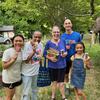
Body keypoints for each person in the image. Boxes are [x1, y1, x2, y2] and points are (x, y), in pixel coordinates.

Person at [43, 25, 67, 100]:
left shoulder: (63, 41)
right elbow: (44, 54)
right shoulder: (48, 43)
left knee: (61, 83)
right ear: (52, 33)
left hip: (62, 65)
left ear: (60, 33)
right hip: (52, 66)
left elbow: (66, 51)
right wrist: (50, 58)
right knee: (54, 82)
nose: (56, 33)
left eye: (58, 32)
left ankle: (63, 97)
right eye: (54, 32)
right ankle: (53, 97)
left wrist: (65, 54)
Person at [21, 31, 43, 100]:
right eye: (35, 37)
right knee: (26, 92)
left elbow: (39, 57)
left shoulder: (41, 45)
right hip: (27, 73)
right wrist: (33, 51)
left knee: (35, 90)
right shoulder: (26, 45)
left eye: (39, 37)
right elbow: (26, 61)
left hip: (36, 72)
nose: (37, 39)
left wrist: (41, 66)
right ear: (32, 37)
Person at [2, 35, 24, 100]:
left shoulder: (23, 52)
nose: (18, 42)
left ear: (23, 42)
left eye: (20, 41)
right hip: (9, 80)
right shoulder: (8, 52)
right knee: (9, 98)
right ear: (12, 42)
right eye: (16, 41)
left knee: (19, 97)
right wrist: (12, 60)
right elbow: (4, 66)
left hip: (18, 79)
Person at [61, 19, 82, 84]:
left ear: (71, 24)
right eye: (66, 23)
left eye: (69, 23)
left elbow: (81, 46)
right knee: (66, 74)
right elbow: (60, 48)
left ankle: (74, 87)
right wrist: (65, 48)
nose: (67, 25)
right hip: (66, 58)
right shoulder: (62, 36)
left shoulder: (77, 35)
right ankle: (67, 87)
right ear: (64, 25)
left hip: (75, 58)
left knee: (74, 74)